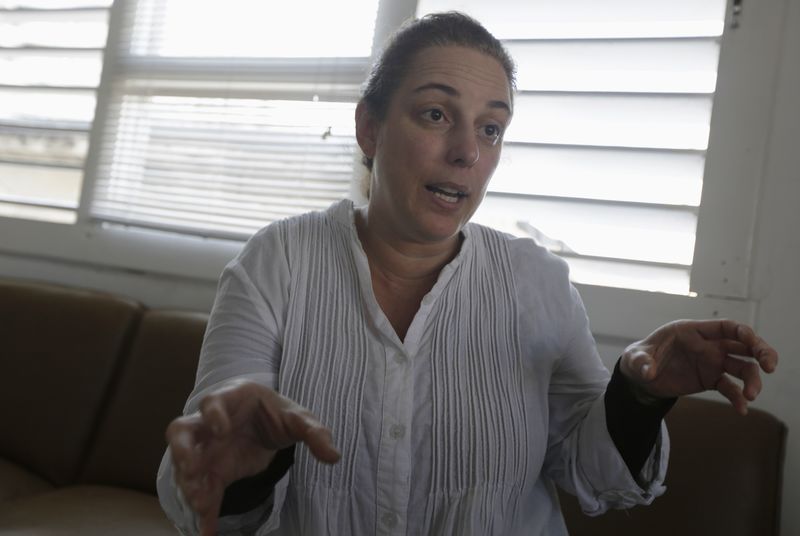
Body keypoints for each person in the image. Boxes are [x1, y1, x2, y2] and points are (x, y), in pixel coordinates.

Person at [157, 12, 779, 536]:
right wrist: (247, 472)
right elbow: (211, 475)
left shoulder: (538, 284)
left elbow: (591, 474)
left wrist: (640, 397)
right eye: (435, 115)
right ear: (369, 128)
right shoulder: (277, 264)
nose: (468, 152)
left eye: (491, 128)